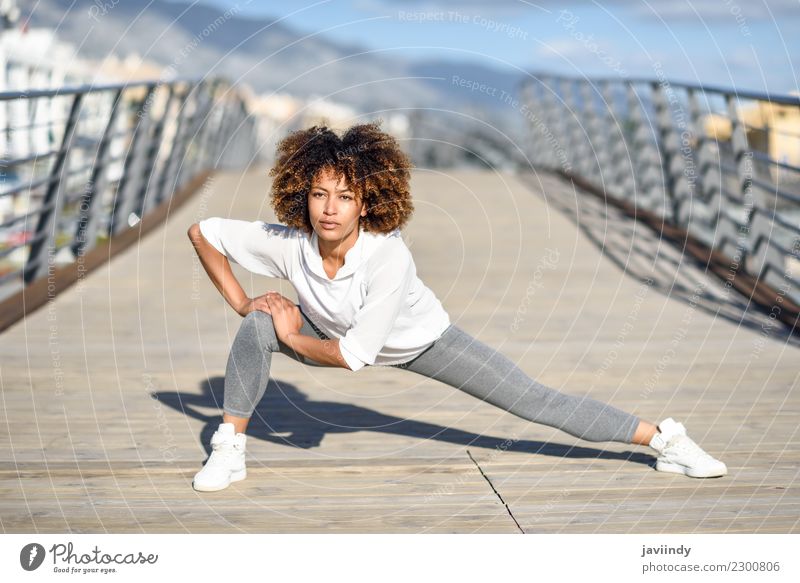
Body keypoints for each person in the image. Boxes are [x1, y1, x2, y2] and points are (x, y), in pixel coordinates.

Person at [187, 121, 727, 492]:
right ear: (301, 195)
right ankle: (229, 445)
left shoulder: (386, 259)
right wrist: (244, 303)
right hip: (329, 334)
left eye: (345, 197)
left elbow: (354, 356)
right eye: (320, 194)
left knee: (534, 401)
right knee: (260, 323)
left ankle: (663, 438)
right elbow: (202, 231)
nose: (330, 209)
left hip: (421, 343)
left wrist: (290, 332)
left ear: (367, 202)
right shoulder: (289, 243)